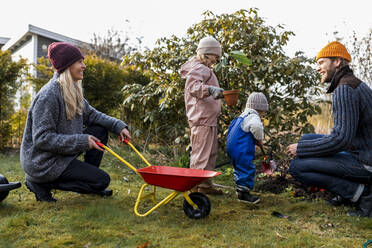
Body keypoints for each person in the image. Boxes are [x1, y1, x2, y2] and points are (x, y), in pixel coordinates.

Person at [20, 42, 131, 202]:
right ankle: (39, 183)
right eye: (80, 62)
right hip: (43, 162)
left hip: (59, 154)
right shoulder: (48, 96)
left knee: (99, 130)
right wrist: (82, 141)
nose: (84, 66)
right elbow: (42, 139)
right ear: (67, 65)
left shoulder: (71, 90)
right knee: (102, 181)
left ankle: (90, 180)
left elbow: (93, 115)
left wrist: (118, 126)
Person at [287, 41, 372, 217]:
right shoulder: (354, 84)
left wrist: (301, 149)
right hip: (362, 153)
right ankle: (348, 191)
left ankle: (362, 194)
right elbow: (344, 135)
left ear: (337, 62)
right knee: (306, 139)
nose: (318, 68)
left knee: (297, 166)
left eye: (321, 62)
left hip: (366, 163)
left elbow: (341, 139)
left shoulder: (345, 89)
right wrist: (305, 146)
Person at [180, 36, 225, 194]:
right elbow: (193, 87)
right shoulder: (200, 68)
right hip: (202, 119)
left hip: (208, 119)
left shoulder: (205, 69)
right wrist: (210, 90)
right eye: (214, 56)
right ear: (206, 53)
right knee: (201, 157)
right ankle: (193, 190)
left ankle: (205, 186)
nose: (216, 60)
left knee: (209, 155)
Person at [226, 92, 268, 204]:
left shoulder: (242, 116)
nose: (263, 115)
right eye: (263, 113)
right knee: (246, 168)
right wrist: (259, 139)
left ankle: (240, 188)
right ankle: (243, 195)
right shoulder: (253, 116)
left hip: (232, 147)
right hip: (241, 148)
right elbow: (257, 127)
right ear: (261, 110)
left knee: (239, 167)